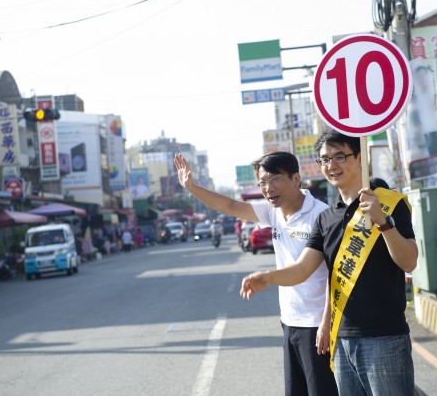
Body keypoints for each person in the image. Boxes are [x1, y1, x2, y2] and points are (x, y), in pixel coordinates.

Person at [240, 129, 418, 395]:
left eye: (339, 156)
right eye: (324, 159)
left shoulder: (389, 204)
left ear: (360, 158)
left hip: (384, 337)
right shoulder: (326, 218)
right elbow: (302, 269)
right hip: (342, 338)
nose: (331, 165)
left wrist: (382, 222)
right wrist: (267, 277)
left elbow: (409, 261)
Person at [174, 151, 337, 396]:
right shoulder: (273, 212)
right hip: (290, 321)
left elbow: (334, 275)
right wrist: (193, 188)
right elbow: (229, 206)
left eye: (274, 179)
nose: (268, 188)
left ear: (296, 179)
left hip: (317, 325)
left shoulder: (321, 215)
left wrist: (326, 322)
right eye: (262, 182)